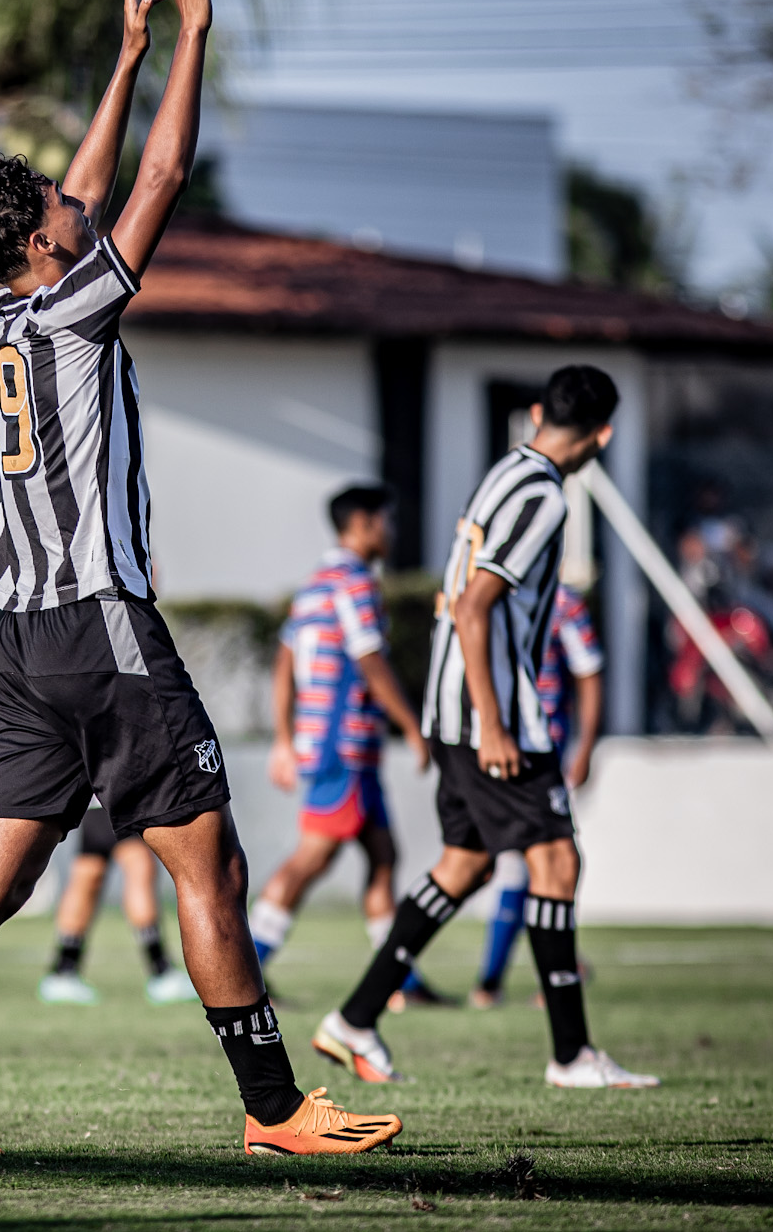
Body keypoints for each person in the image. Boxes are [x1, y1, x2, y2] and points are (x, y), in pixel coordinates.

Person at [0, 0, 402, 1159]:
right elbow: (157, 175)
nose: (75, 200)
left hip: (21, 638)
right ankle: (276, 1116)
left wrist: (125, 51)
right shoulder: (71, 307)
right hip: (105, 623)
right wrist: (199, 37)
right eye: (60, 208)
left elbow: (93, 191)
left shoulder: (6, 312)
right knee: (206, 870)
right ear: (47, 247)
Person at [309, 364, 659, 1090]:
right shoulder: (543, 497)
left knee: (462, 866)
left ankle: (355, 1017)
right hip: (488, 716)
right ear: (604, 434)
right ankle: (571, 1054)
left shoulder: (503, 474)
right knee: (556, 862)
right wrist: (495, 724)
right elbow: (474, 607)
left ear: (536, 412)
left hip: (451, 711)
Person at [249, 485, 451, 1009]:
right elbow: (370, 660)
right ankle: (243, 968)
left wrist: (285, 739)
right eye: (387, 520)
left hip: (334, 745)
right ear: (361, 523)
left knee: (383, 854)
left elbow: (284, 664)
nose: (392, 531)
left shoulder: (315, 584)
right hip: (343, 747)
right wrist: (412, 724)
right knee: (313, 858)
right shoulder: (355, 582)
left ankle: (398, 982)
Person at [470, 582, 603, 1010]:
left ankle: (504, 980)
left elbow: (587, 672)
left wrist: (584, 748)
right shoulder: (486, 595)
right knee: (538, 862)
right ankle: (509, 981)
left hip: (532, 750)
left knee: (530, 863)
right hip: (512, 750)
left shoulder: (556, 600)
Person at [39, 803, 200, 1005]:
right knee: (138, 864)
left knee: (89, 872)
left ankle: (64, 969)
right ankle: (161, 971)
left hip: (94, 799)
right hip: (116, 795)